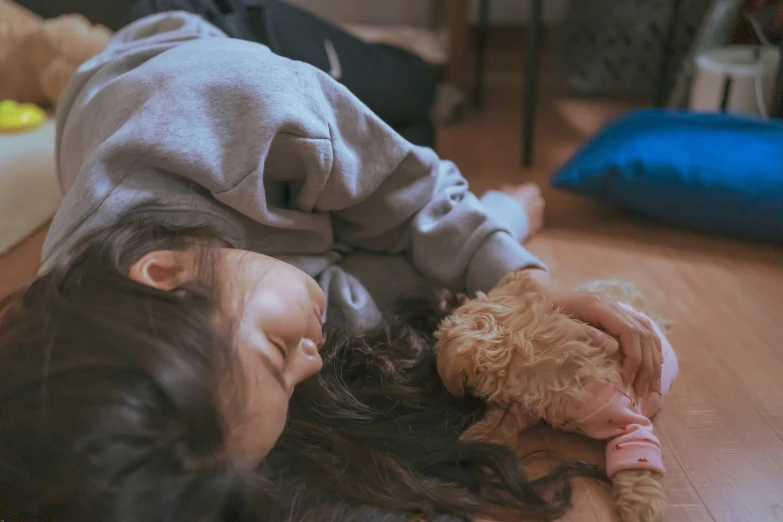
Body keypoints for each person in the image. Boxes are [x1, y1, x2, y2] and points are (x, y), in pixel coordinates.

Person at [0, 12, 663, 522]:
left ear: (167, 273)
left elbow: (411, 190)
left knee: (414, 90)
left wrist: (519, 270)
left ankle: (68, 48)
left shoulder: (244, 108)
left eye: (278, 352)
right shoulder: (128, 330)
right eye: (293, 381)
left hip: (209, 37)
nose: (311, 360)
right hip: (189, 169)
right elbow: (366, 287)